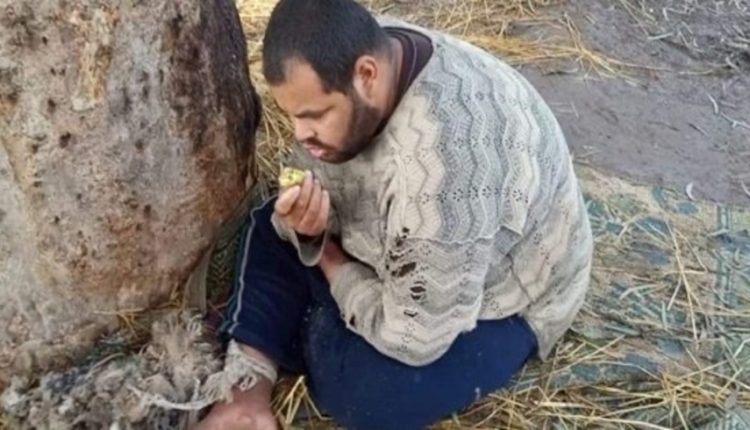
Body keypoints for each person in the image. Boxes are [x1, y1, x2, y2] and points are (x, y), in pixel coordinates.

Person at [196, 0, 593, 428]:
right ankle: (247, 392)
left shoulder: (444, 172)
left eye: (315, 116)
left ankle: (293, 323)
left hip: (506, 296)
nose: (300, 134)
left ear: (367, 75)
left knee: (368, 393)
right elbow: (302, 182)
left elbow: (413, 340)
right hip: (399, 243)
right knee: (271, 222)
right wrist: (308, 232)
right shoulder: (355, 54)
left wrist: (327, 257)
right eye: (292, 116)